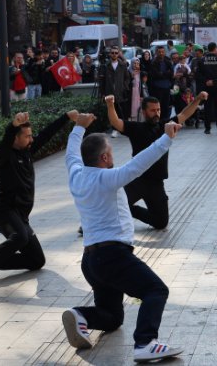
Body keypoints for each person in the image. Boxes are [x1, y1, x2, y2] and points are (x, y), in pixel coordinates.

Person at [62, 112, 183, 362]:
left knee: (112, 317)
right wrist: (165, 138)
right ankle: (145, 343)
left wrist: (78, 128)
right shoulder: (107, 178)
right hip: (113, 256)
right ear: (105, 157)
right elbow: (137, 165)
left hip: (91, 261)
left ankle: (80, 315)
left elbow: (71, 154)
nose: (114, 158)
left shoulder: (76, 175)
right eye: (111, 154)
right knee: (156, 290)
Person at [0, 110, 79, 300]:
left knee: (36, 260)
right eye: (26, 136)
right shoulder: (5, 155)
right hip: (3, 212)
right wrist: (13, 125)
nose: (31, 139)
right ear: (15, 138)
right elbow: (6, 139)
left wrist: (66, 117)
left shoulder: (27, 153)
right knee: (19, 238)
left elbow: (46, 135)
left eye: (31, 135)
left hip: (20, 216)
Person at [105, 92, 205, 230]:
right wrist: (110, 105)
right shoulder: (135, 128)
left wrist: (198, 99)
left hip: (156, 183)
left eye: (158, 110)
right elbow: (116, 122)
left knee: (161, 223)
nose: (157, 113)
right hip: (137, 180)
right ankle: (90, 225)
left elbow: (184, 114)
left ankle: (129, 211)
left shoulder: (166, 126)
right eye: (153, 110)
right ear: (144, 112)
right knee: (114, 205)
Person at [193, 42, 217, 134]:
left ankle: (207, 128)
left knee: (207, 107)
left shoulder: (201, 60)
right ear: (215, 48)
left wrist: (206, 81)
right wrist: (214, 81)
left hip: (206, 88)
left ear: (207, 49)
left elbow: (197, 74)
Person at [99, 46, 130, 137]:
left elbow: (127, 77)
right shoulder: (106, 66)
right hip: (109, 92)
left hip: (120, 92)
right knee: (112, 111)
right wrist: (102, 92)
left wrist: (124, 86)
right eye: (112, 53)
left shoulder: (122, 65)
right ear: (110, 54)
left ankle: (122, 129)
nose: (114, 54)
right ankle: (114, 129)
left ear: (118, 54)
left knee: (121, 111)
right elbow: (102, 81)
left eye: (116, 53)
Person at [148, 47, 174, 120]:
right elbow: (155, 74)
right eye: (159, 52)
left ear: (165, 52)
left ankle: (165, 120)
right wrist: (165, 74)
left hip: (167, 87)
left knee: (166, 106)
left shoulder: (168, 61)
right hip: (157, 87)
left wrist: (163, 74)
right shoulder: (153, 62)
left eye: (162, 52)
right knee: (158, 105)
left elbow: (171, 73)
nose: (161, 53)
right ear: (156, 52)